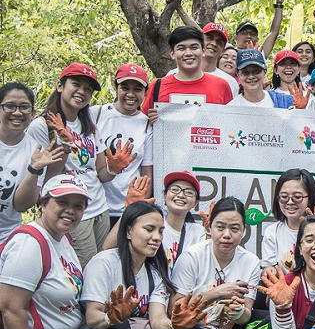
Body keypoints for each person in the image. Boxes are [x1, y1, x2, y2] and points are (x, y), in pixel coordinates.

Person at [0, 175, 107, 329]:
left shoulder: (61, 239)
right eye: (62, 201)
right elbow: (10, 309)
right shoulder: (29, 244)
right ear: (44, 202)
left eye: (78, 205)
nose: (71, 210)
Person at [28, 64, 133, 266]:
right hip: (73, 210)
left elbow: (100, 174)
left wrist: (114, 168)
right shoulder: (42, 127)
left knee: (104, 264)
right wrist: (64, 147)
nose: (81, 92)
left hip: (99, 207)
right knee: (85, 269)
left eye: (87, 89)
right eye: (76, 85)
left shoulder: (89, 126)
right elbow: (45, 184)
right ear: (60, 85)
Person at [79, 201, 180, 329]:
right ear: (128, 231)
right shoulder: (103, 263)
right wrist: (112, 317)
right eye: (149, 229)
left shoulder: (155, 272)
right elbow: (92, 318)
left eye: (160, 231)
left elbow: (157, 319)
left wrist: (174, 325)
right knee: (119, 327)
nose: (157, 237)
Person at [171, 197, 261, 329]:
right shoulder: (192, 256)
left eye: (234, 229)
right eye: (220, 227)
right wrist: (217, 293)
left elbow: (247, 315)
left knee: (265, 321)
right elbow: (174, 308)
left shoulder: (251, 262)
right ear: (209, 228)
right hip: (193, 327)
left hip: (228, 327)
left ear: (243, 230)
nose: (226, 235)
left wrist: (237, 312)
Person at [91, 64, 154, 228]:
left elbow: (146, 171)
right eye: (125, 88)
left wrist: (141, 209)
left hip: (127, 206)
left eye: (137, 90)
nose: (130, 94)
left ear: (145, 92)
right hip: (96, 205)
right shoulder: (97, 114)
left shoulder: (147, 124)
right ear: (116, 88)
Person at [0, 82, 63, 243]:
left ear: (33, 113)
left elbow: (21, 206)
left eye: (24, 107)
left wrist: (33, 169)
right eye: (9, 106)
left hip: (6, 236)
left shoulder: (36, 150)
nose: (17, 112)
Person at [141, 26, 233, 117]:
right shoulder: (157, 86)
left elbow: (230, 125)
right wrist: (149, 121)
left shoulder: (222, 86)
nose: (188, 53)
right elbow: (142, 123)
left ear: (203, 50)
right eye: (181, 48)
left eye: (194, 48)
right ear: (172, 54)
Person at [261, 169, 315, 272]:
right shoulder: (272, 232)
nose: (290, 202)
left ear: (310, 199)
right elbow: (269, 268)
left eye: (297, 197)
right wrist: (270, 273)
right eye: (284, 197)